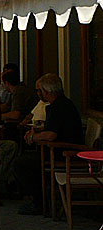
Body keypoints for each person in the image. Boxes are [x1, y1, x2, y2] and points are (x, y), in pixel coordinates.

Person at [16, 73, 84, 215]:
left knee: (22, 164)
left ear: (47, 91)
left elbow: (51, 135)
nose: (39, 94)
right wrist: (37, 132)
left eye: (40, 90)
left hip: (64, 154)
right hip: (61, 150)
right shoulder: (61, 104)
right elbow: (54, 128)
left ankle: (39, 203)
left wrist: (34, 138)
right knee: (29, 160)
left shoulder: (59, 107)